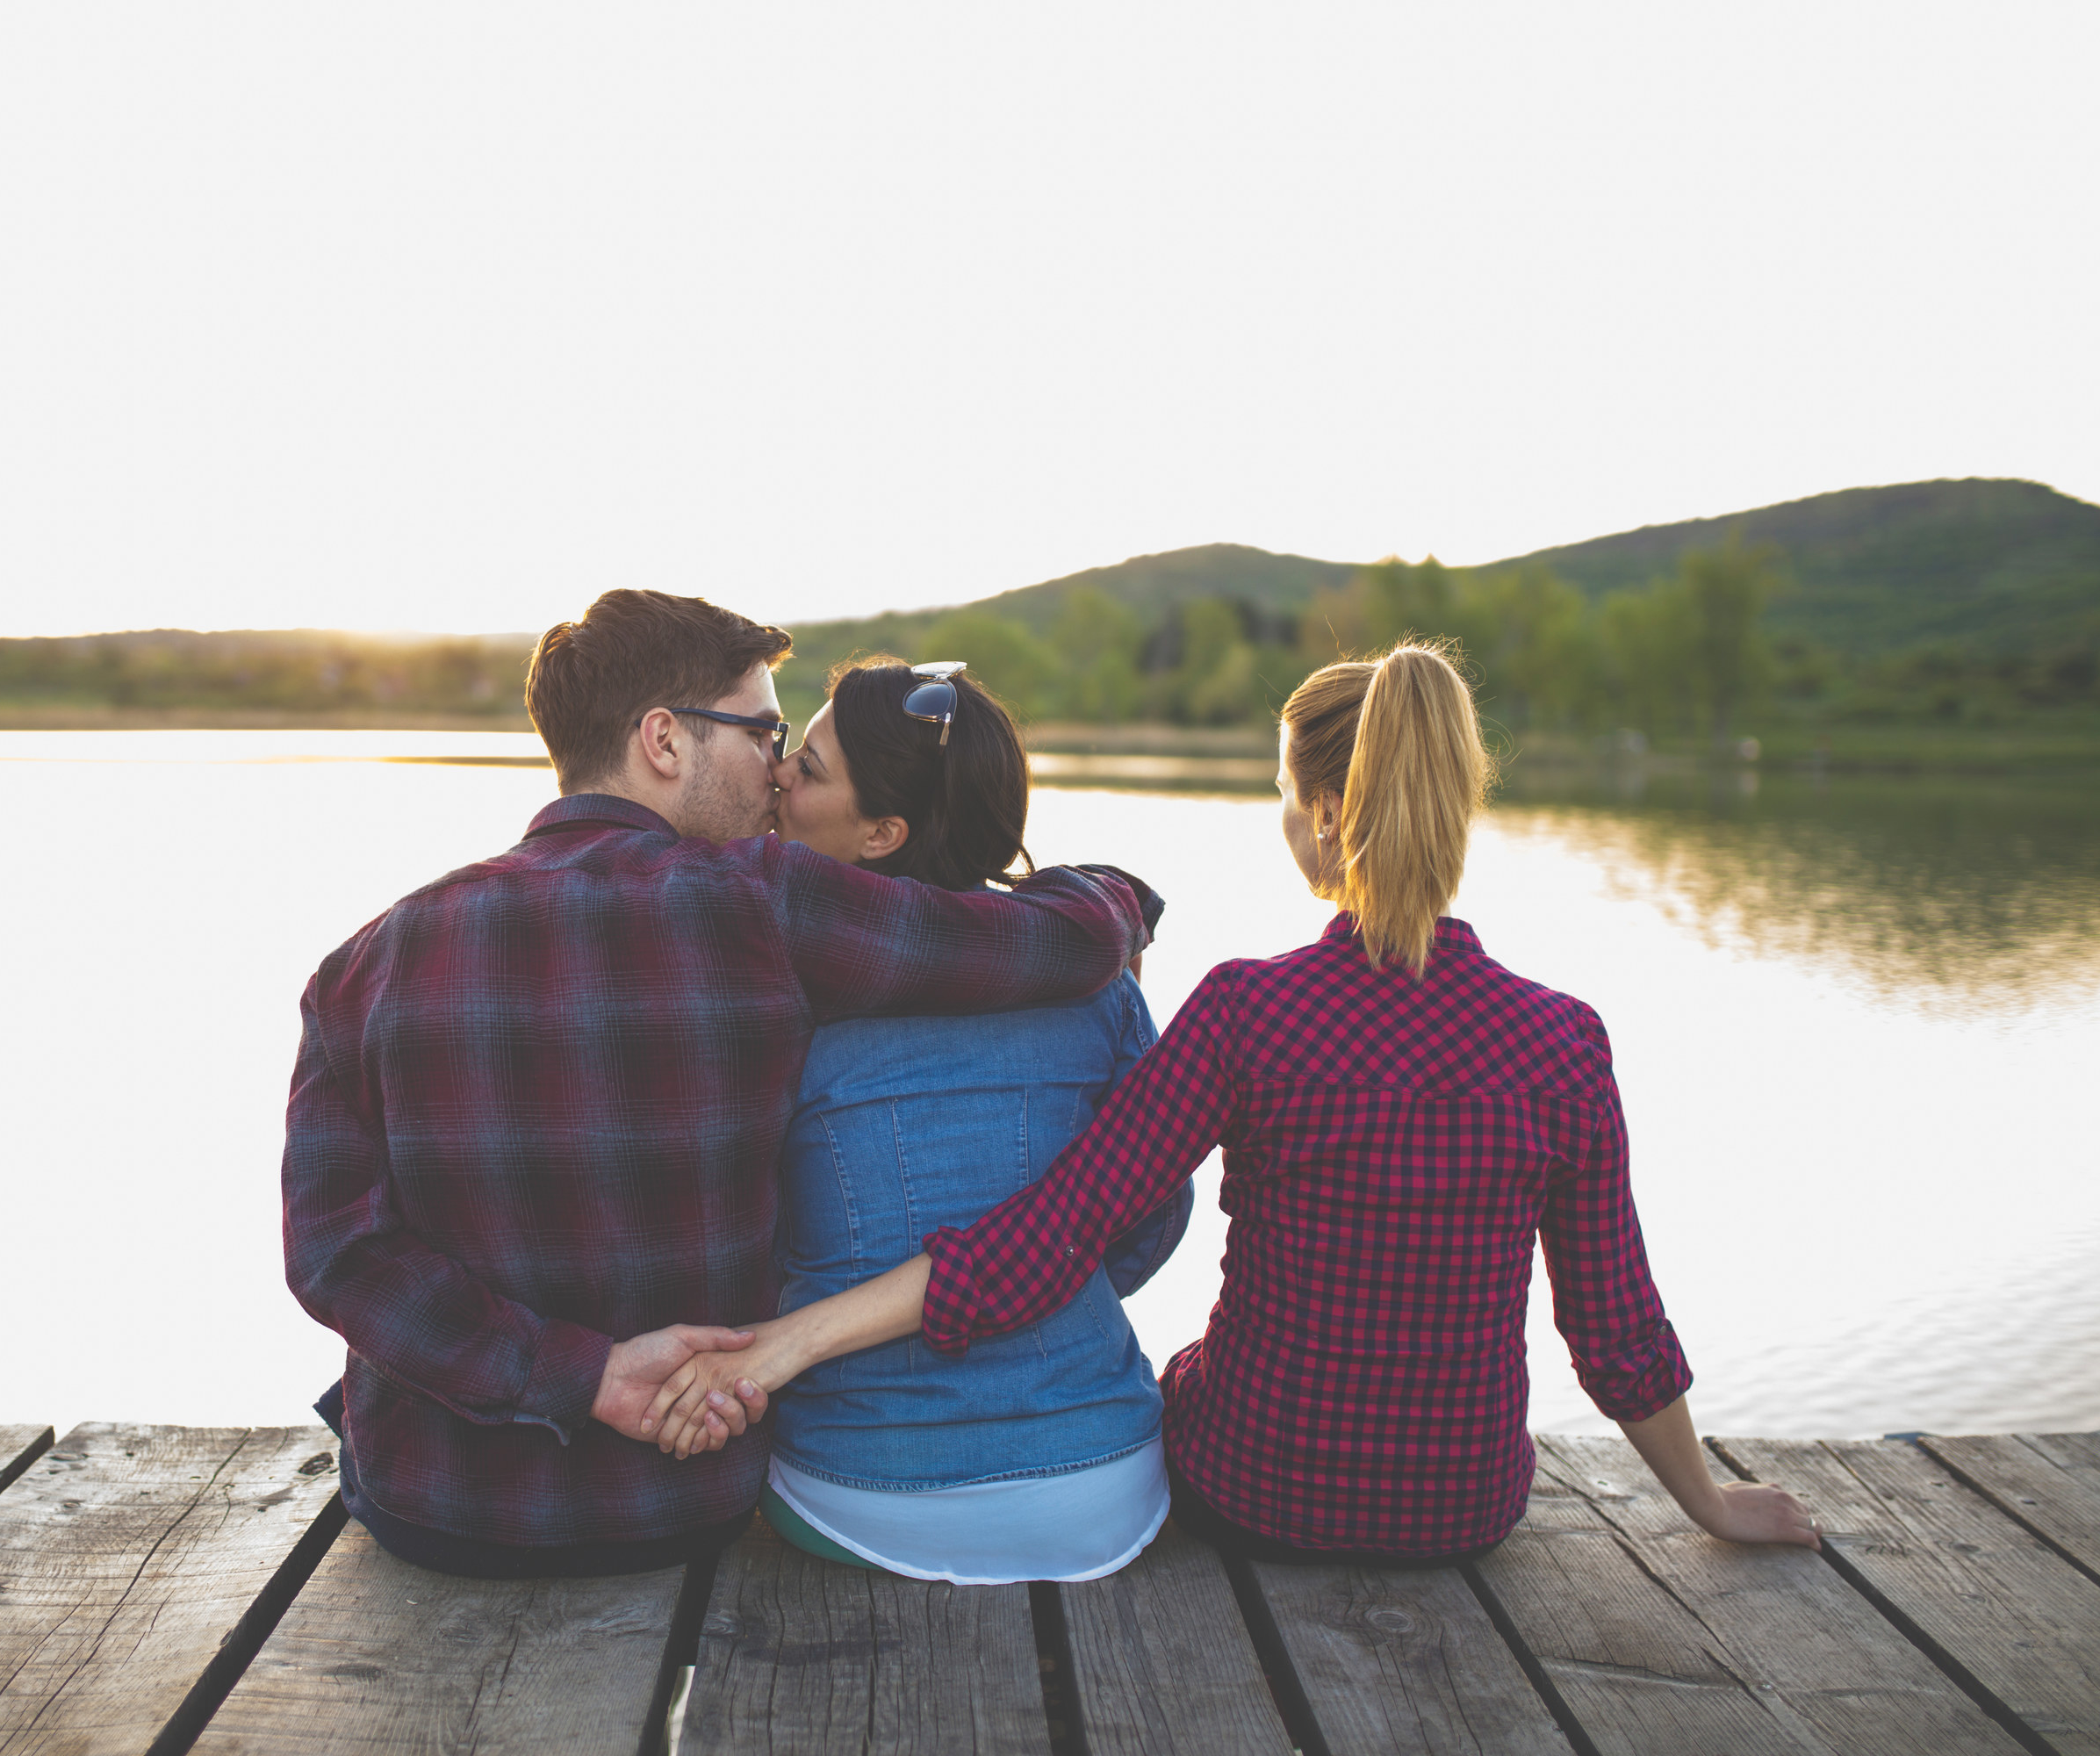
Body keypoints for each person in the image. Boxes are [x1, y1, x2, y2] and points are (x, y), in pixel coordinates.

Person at [651, 643, 1820, 1562]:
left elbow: (1047, 1245)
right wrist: (1710, 1503)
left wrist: (786, 1345)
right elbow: (1614, 1329)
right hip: (1467, 1511)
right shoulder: (1563, 1041)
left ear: (1318, 817)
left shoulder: (1253, 1012)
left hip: (1259, 1491)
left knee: (1184, 1381)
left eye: (1278, 792)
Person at [280, 589, 1161, 1579]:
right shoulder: (762, 904)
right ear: (664, 739)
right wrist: (1116, 898)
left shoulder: (361, 965)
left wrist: (586, 1375)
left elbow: (332, 1256)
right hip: (681, 1499)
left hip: (435, 1512)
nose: (774, 770)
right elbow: (1036, 943)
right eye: (763, 731)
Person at [706, 656, 1195, 1583]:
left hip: (859, 1488)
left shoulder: (777, 995)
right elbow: (1152, 1217)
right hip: (1106, 1484)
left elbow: (740, 1242)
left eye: (806, 768)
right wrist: (1041, 1318)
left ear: (884, 831)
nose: (778, 775)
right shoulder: (1094, 979)